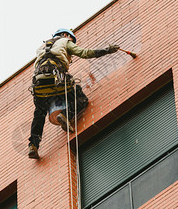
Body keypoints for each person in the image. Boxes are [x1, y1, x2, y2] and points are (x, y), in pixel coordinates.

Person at [28, 28, 119, 159]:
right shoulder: (65, 41)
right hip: (57, 80)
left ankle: (33, 145)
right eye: (72, 38)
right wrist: (107, 50)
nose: (72, 41)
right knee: (80, 99)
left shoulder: (41, 47)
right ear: (65, 35)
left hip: (39, 85)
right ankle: (65, 115)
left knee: (39, 113)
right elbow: (85, 53)